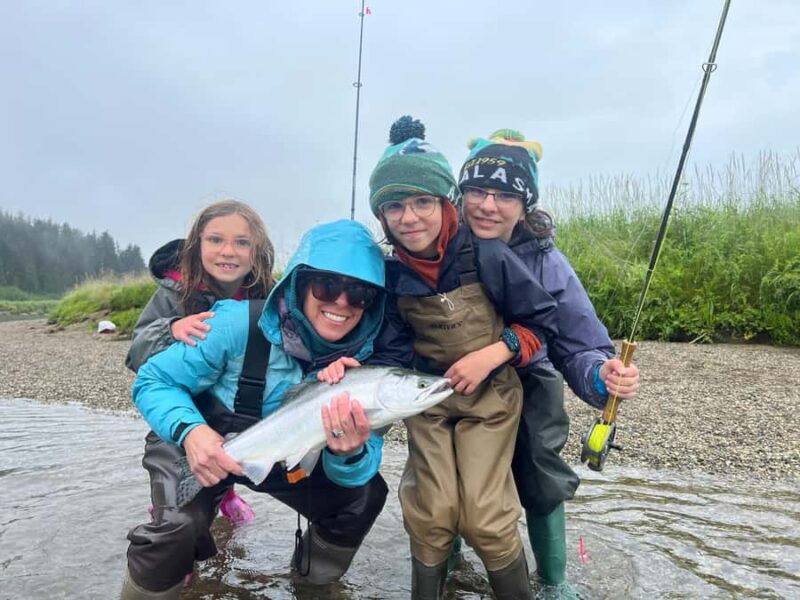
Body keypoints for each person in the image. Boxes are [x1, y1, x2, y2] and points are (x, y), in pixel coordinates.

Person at [120, 220, 391, 599]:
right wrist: (192, 432)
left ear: (373, 303)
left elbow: (362, 466)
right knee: (174, 530)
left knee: (365, 496)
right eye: (327, 285)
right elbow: (153, 380)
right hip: (195, 439)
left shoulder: (370, 373)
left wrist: (349, 454)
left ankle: (312, 586)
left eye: (359, 294)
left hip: (281, 456)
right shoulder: (234, 322)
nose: (341, 303)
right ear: (299, 283)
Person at [367, 116, 558, 599]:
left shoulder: (488, 255)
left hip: (490, 400)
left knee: (486, 516)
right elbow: (391, 352)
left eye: (422, 202)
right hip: (425, 401)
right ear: (382, 216)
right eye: (394, 207)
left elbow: (540, 325)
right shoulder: (390, 276)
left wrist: (494, 353)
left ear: (443, 201)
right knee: (430, 513)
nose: (409, 218)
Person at [456, 128, 640, 593]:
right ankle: (447, 564)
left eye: (503, 195)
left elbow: (580, 345)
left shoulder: (547, 262)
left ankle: (553, 581)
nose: (487, 206)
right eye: (476, 191)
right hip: (451, 378)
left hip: (527, 377)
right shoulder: (438, 241)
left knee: (539, 467)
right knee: (450, 474)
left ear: (525, 204)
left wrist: (603, 376)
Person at [125, 199, 275, 526]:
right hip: (185, 402)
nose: (228, 251)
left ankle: (227, 494)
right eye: (216, 240)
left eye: (242, 242)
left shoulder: (267, 296)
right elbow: (136, 350)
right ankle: (167, 505)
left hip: (236, 404)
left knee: (233, 447)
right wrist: (170, 329)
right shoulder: (174, 291)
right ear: (197, 246)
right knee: (178, 516)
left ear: (258, 251)